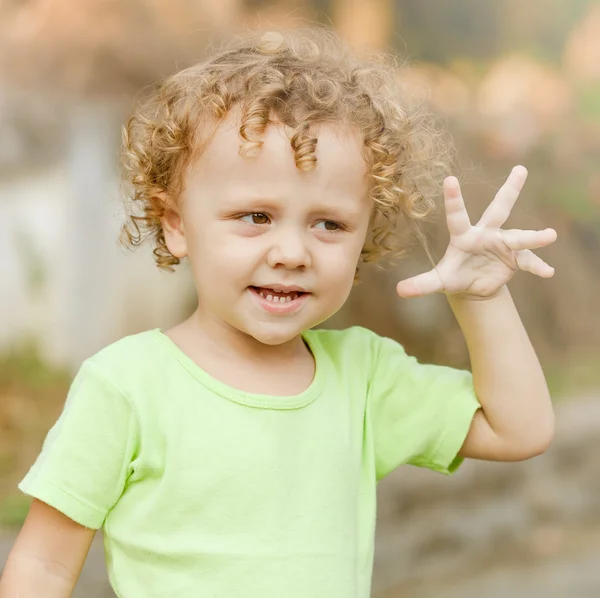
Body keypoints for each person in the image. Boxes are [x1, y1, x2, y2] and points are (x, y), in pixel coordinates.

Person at [0, 26, 557, 598]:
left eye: (329, 224)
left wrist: (482, 298)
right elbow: (42, 566)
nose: (291, 253)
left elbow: (518, 429)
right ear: (176, 223)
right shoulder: (125, 387)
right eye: (256, 217)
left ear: (366, 235)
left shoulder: (363, 379)